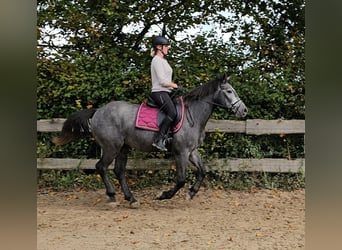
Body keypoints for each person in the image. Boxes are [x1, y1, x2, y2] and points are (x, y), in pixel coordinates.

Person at [149, 36, 178, 151]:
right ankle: (158, 139)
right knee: (172, 112)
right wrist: (174, 85)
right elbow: (162, 80)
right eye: (166, 46)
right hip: (159, 92)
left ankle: (170, 136)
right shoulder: (156, 60)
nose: (167, 48)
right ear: (158, 47)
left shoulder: (163, 61)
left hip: (166, 91)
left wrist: (172, 88)